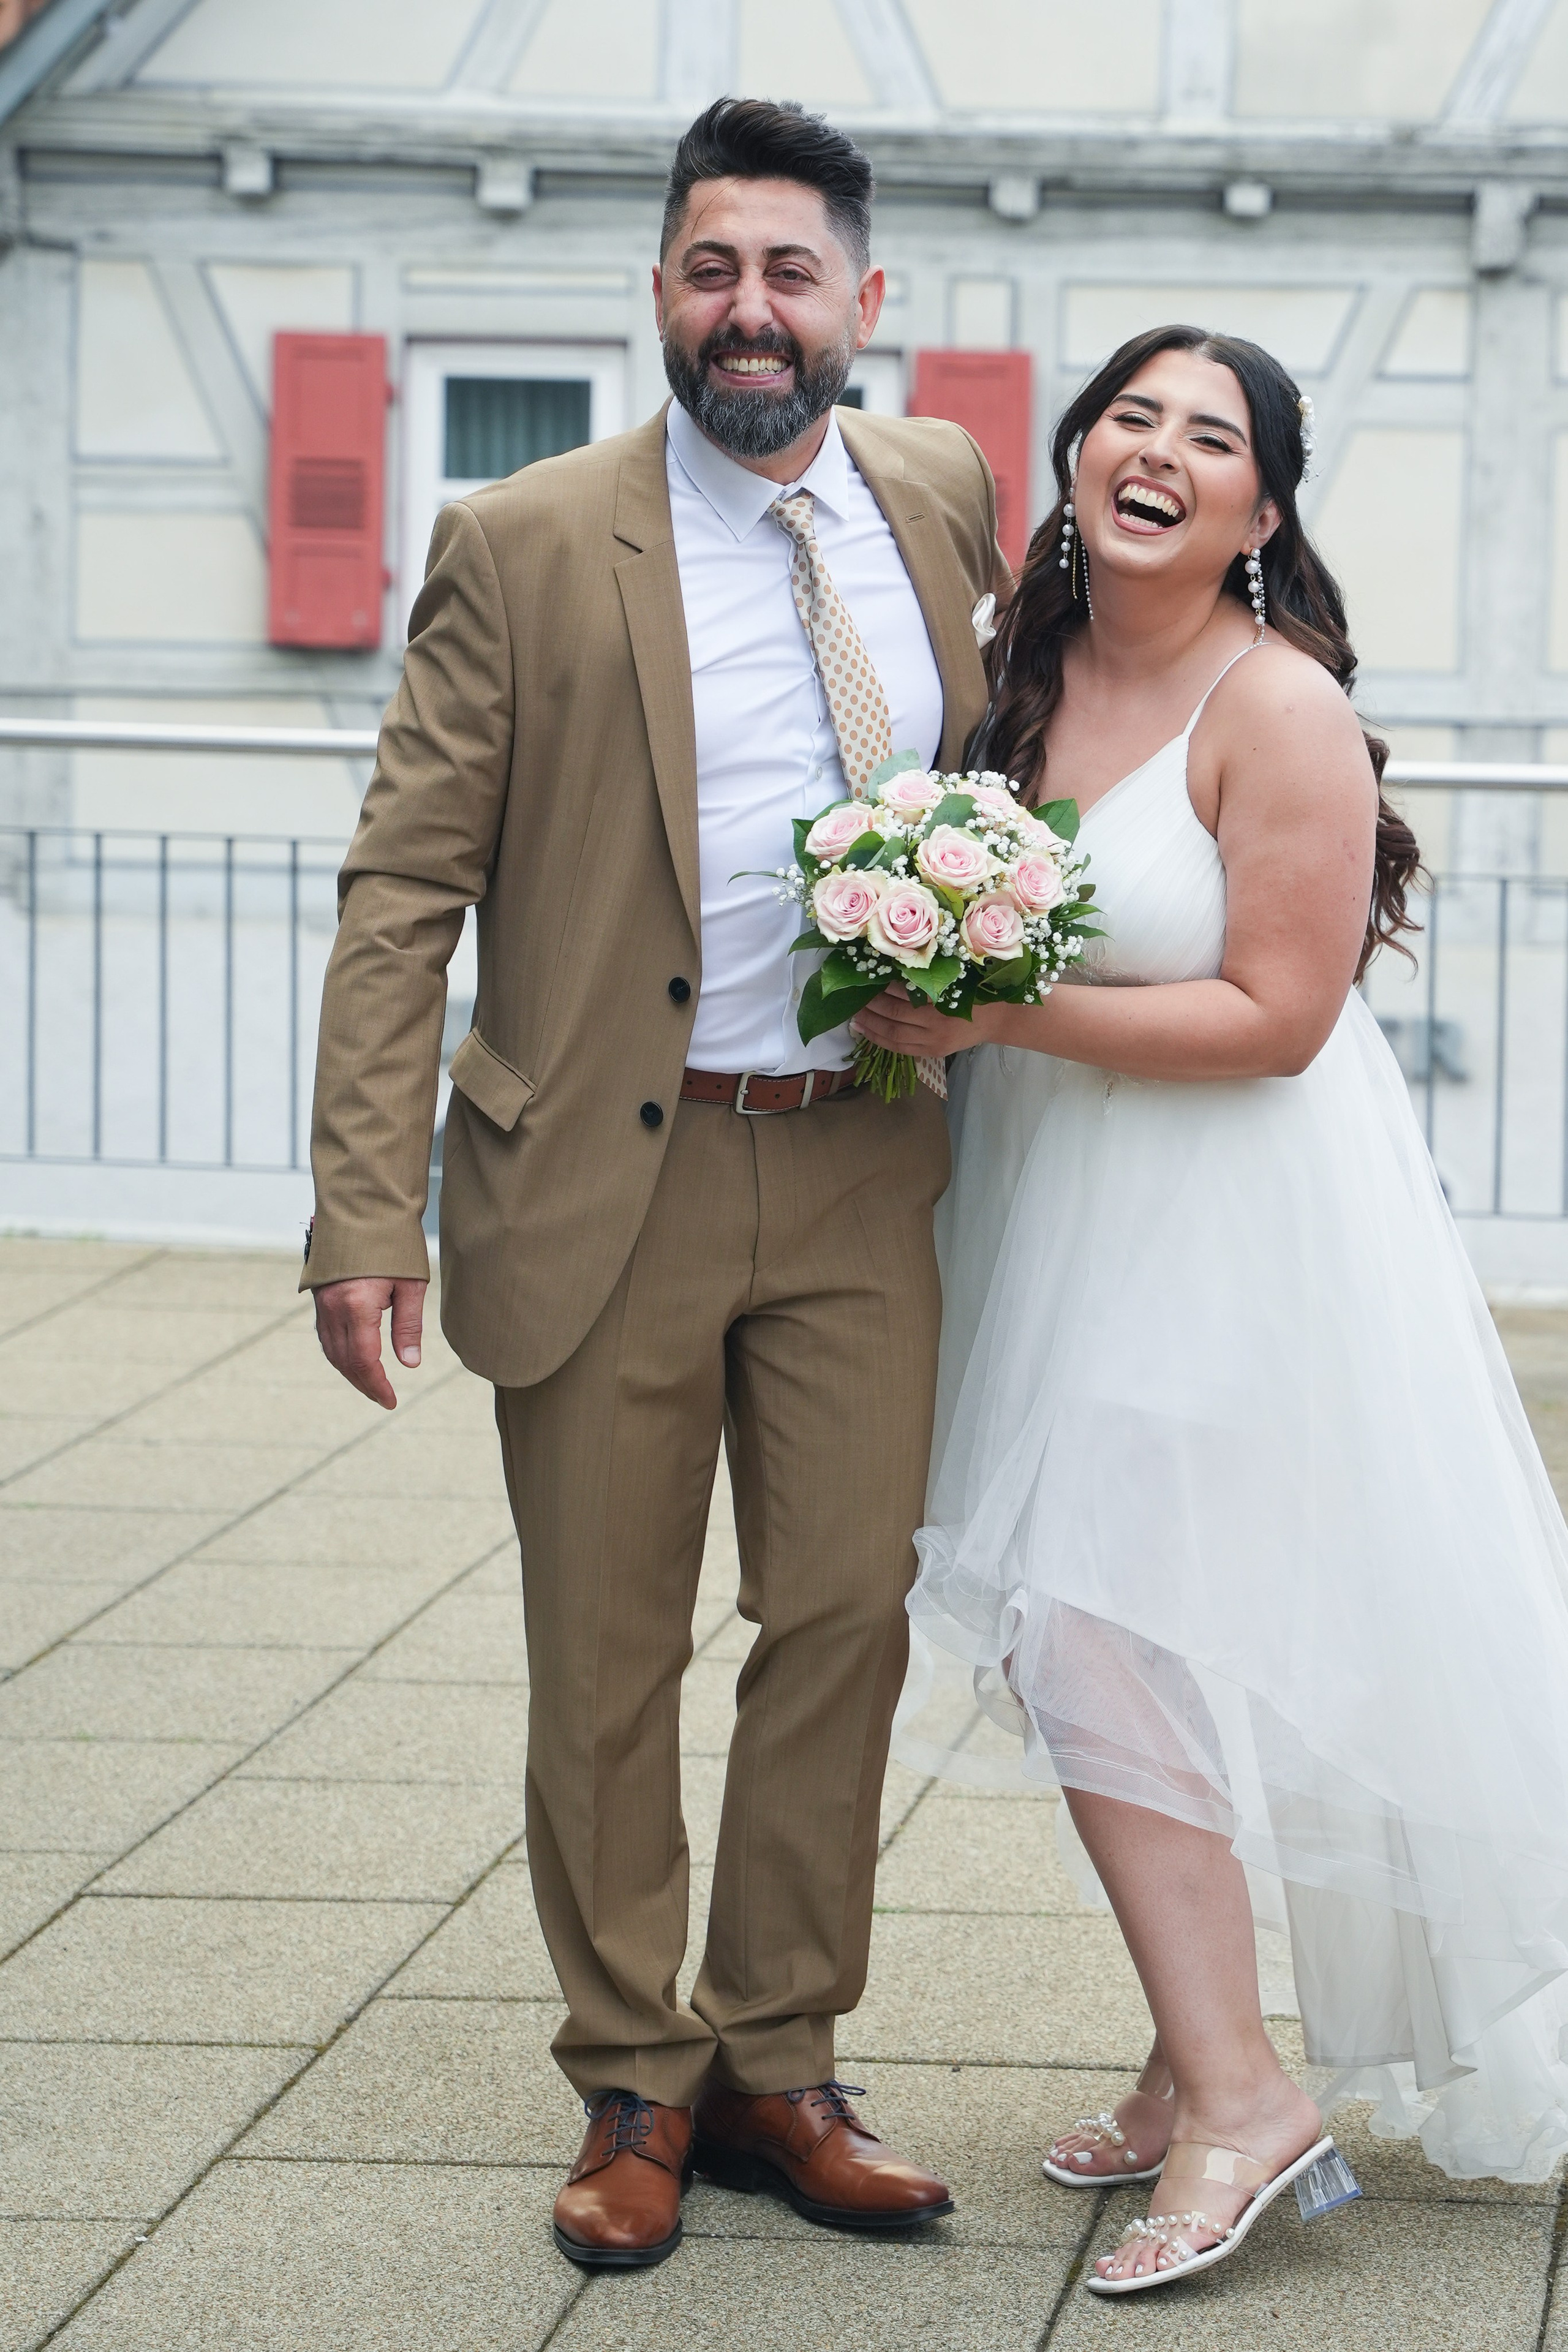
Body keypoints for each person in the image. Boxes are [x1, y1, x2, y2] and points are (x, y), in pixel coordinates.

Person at [302, 97, 1009, 2271]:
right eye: (713, 270)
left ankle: (781, 2056)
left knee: (844, 1625)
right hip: (606, 1175)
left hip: (868, 1168)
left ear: (864, 302)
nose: (752, 313)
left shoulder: (942, 494)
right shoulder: (521, 537)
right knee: (603, 1653)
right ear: (662, 294)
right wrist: (361, 1210)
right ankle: (634, 2071)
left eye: (792, 274)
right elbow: (406, 884)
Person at [857, 325, 1568, 2296]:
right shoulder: (1021, 672)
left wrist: (996, 1007)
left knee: (1096, 1633)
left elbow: (1281, 1017)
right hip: (1055, 1205)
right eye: (1129, 418)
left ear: (1264, 506)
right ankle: (1191, 2065)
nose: (1158, 451)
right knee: (1141, 1638)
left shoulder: (1283, 709)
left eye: (1214, 436)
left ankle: (1251, 2101)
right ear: (1079, 456)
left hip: (1234, 1231)